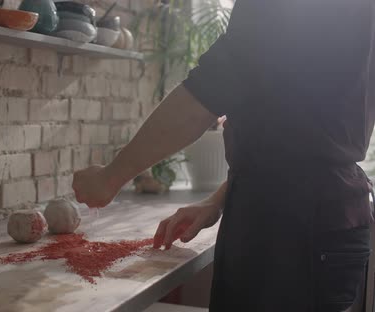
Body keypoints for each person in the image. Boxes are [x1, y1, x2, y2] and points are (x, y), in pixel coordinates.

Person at [72, 0, 375, 311]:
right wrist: (216, 200)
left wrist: (110, 177)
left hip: (289, 229)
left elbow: (206, 94)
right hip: (328, 216)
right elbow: (297, 129)